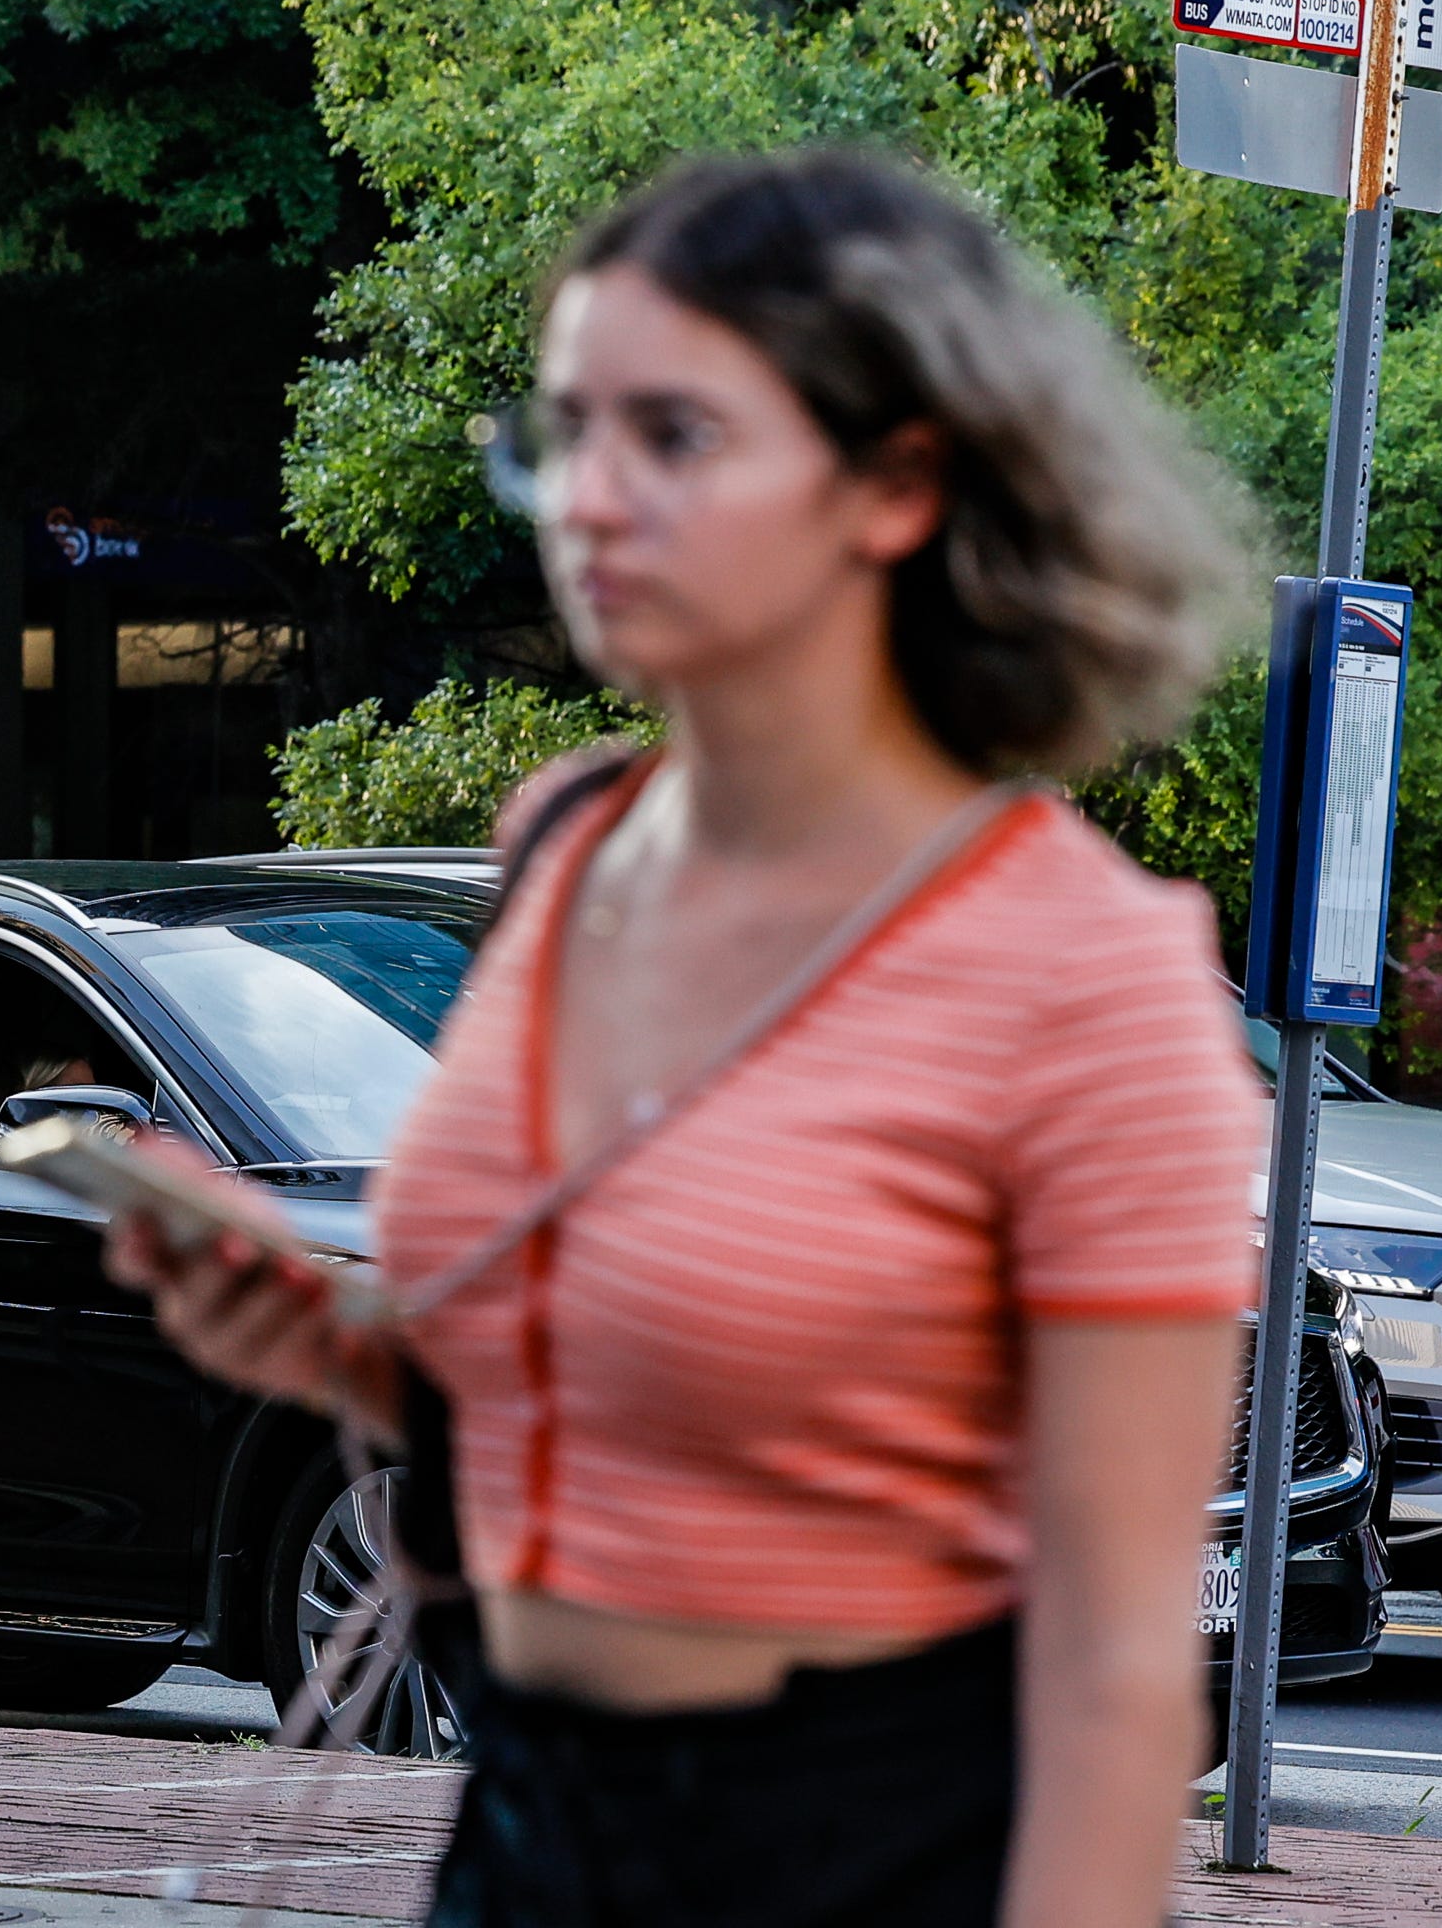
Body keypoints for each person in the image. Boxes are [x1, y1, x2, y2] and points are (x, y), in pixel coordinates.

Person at [104, 146, 1262, 1927]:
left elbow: (1116, 1685)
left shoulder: (1087, 979)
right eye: (565, 430)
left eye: (677, 435)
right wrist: (342, 1349)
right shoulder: (568, 847)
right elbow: (594, 1381)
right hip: (528, 1824)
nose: (591, 496)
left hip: (873, 1857)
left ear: (895, 485)